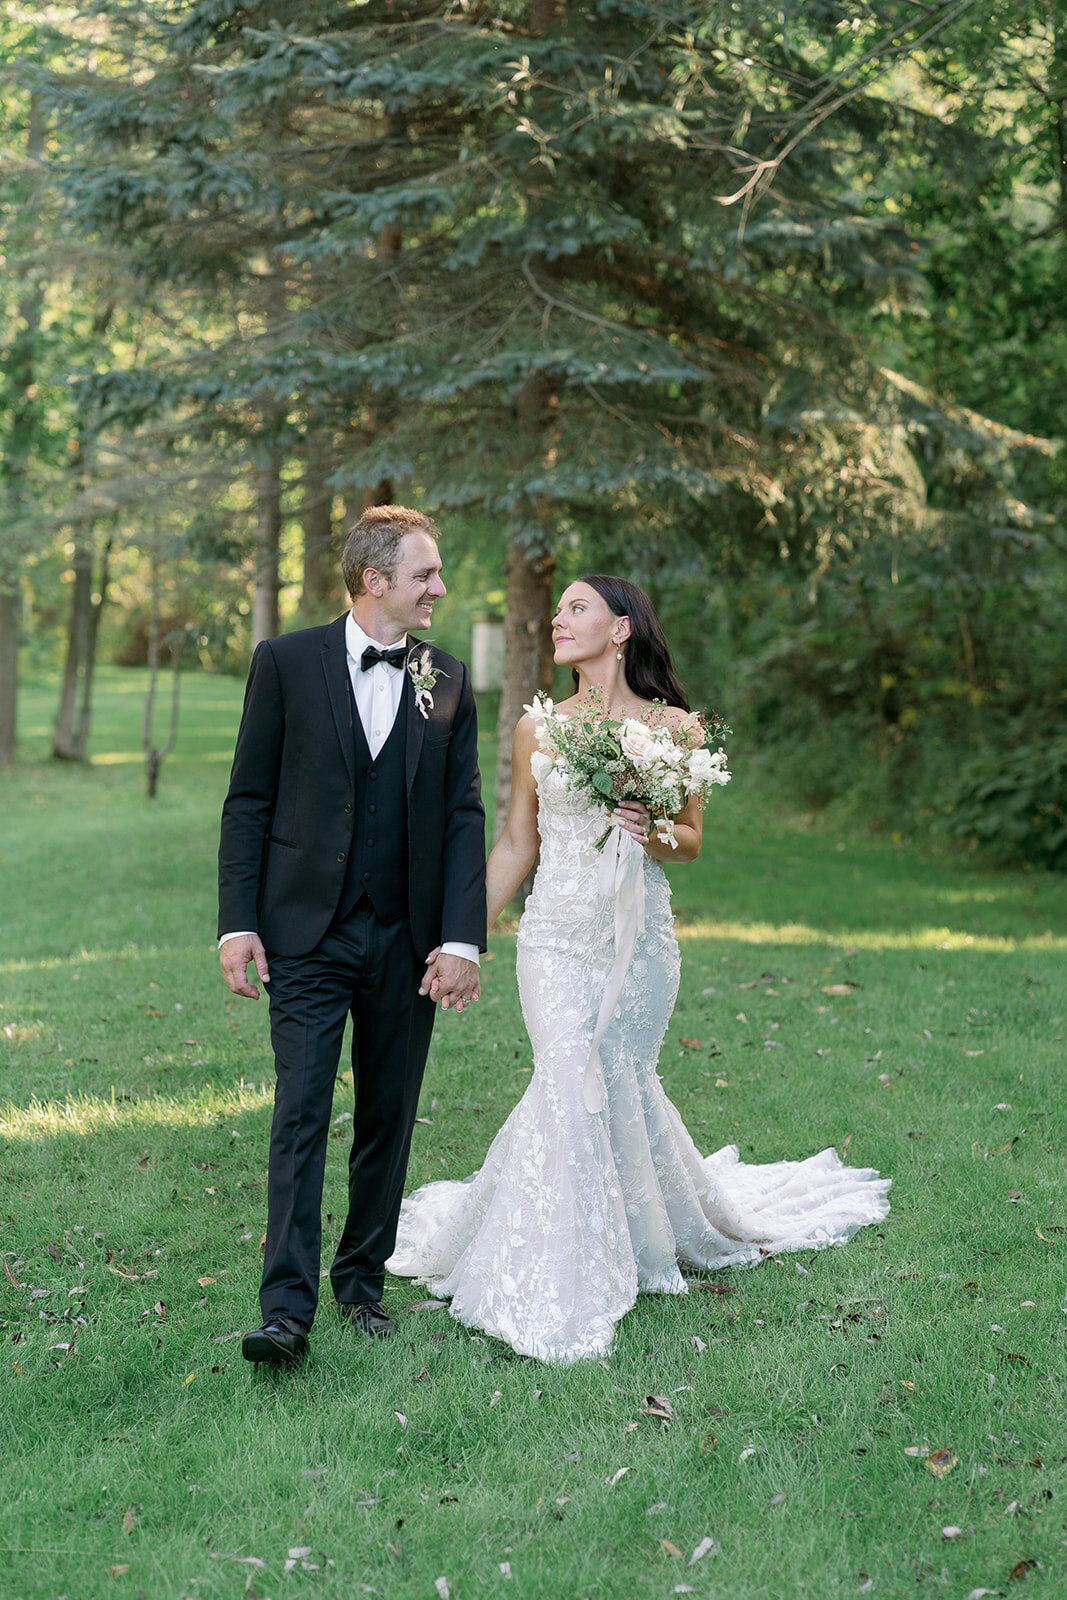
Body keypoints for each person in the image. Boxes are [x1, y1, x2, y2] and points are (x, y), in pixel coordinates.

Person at [387, 575, 890, 1363]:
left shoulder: (677, 729)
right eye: (555, 610)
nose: (558, 619)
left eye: (576, 608)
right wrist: (462, 937)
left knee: (618, 1077)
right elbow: (519, 843)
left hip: (639, 942)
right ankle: (557, 1264)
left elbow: (689, 841)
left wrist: (646, 825)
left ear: (621, 629)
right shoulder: (539, 727)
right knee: (566, 1074)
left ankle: (634, 1231)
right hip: (554, 937)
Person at [218, 505, 486, 1367]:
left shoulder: (444, 677)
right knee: (300, 1110)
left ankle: (361, 1284)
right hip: (304, 930)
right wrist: (238, 922)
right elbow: (248, 799)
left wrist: (461, 940)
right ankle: (284, 1311)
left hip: (407, 937)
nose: (438, 588)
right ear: (375, 580)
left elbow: (461, 814)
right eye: (425, 575)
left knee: (387, 1114)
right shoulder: (286, 662)